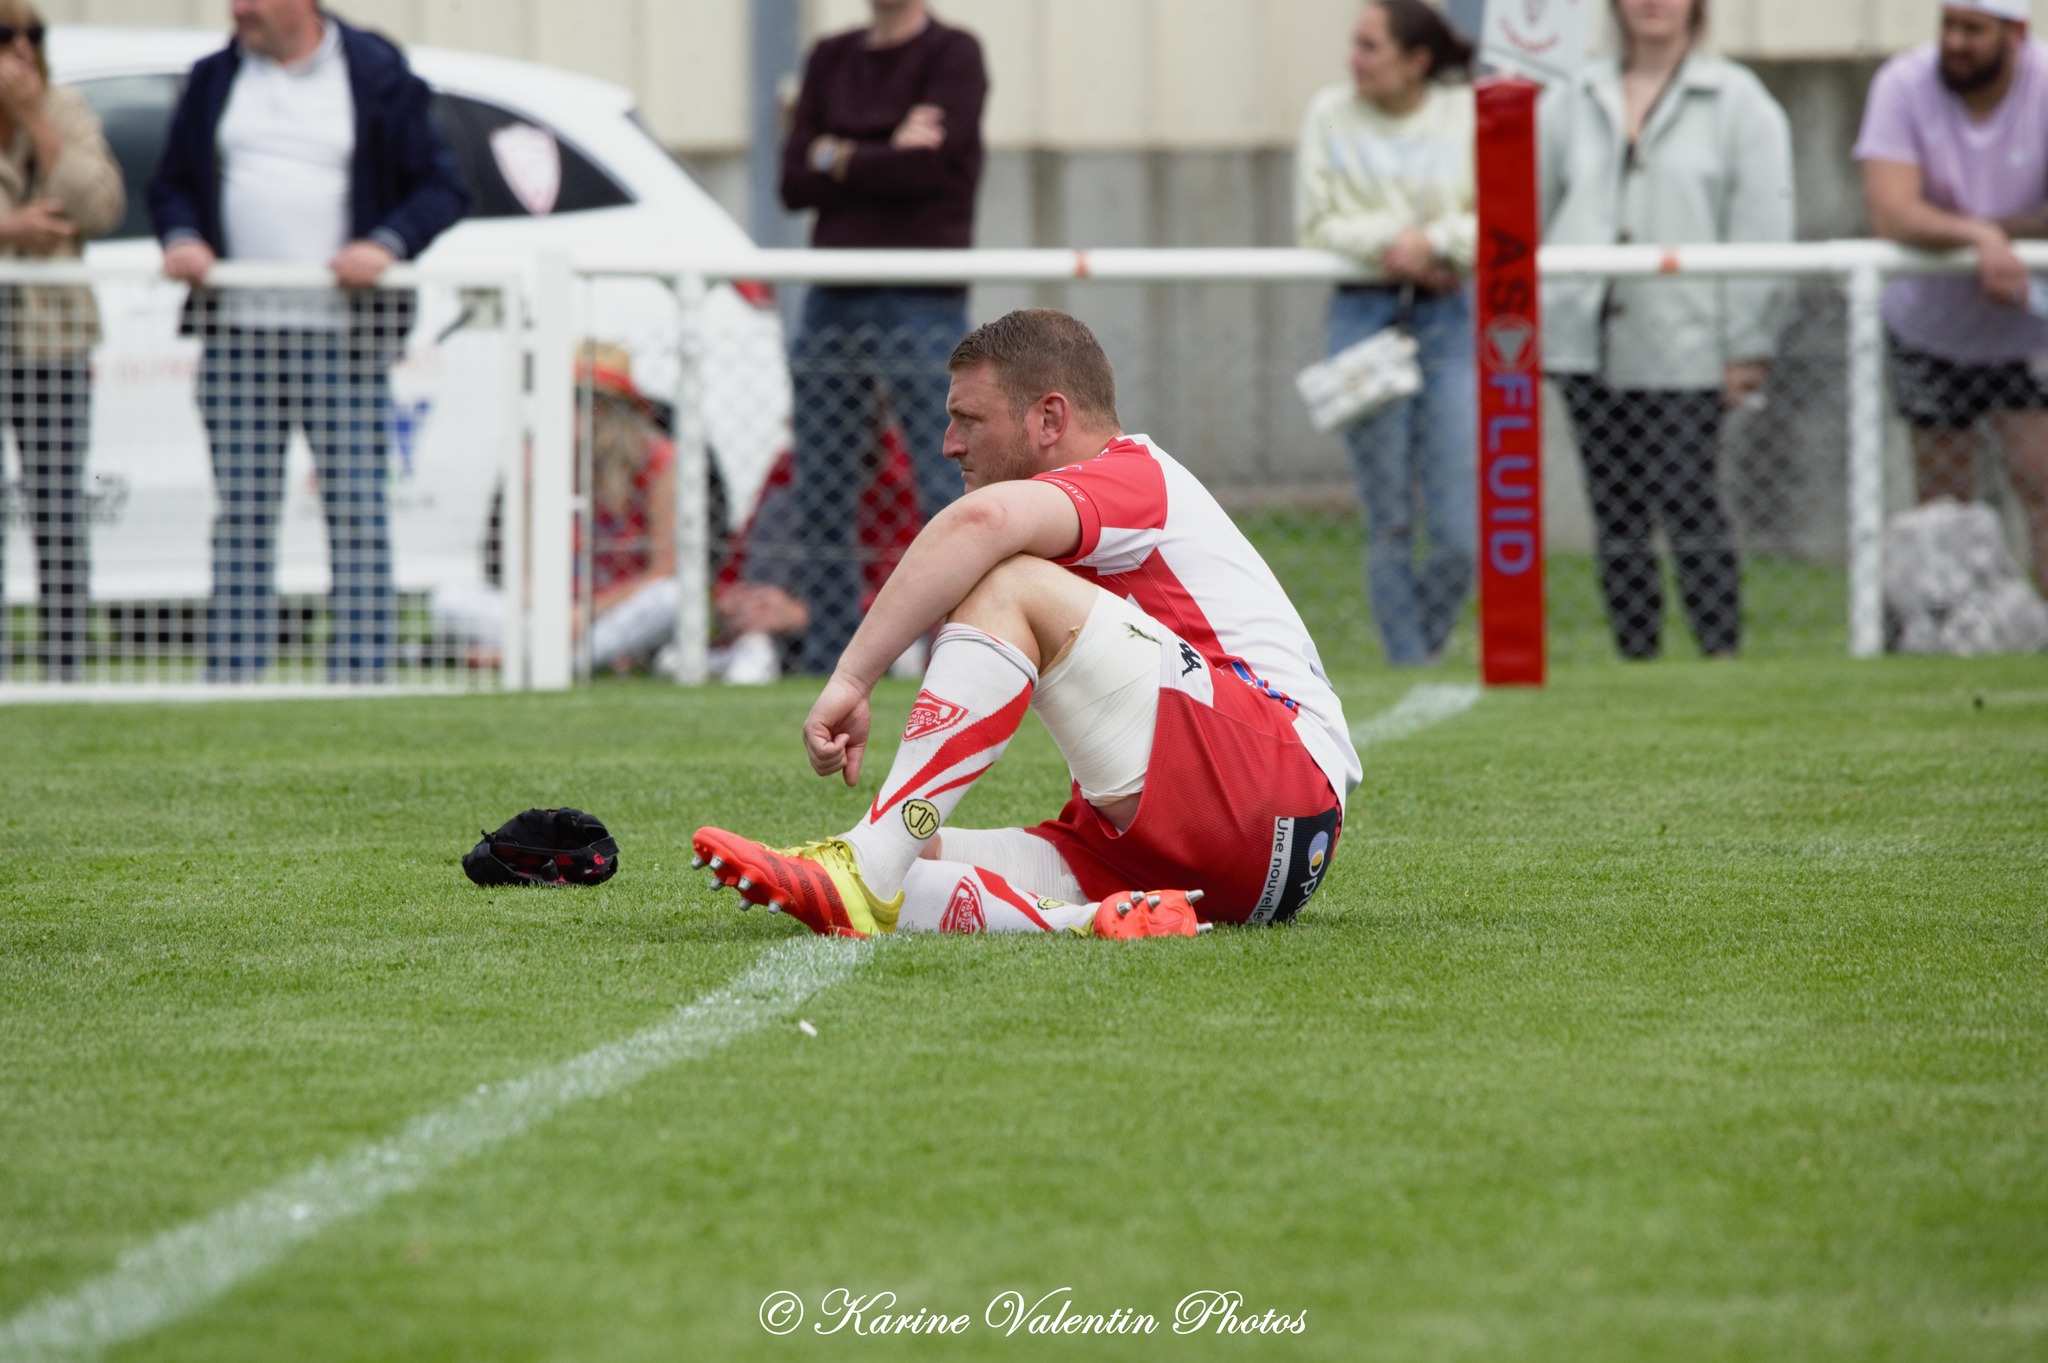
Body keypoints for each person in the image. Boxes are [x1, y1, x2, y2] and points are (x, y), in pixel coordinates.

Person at [693, 309, 1362, 940]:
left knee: (1000, 577)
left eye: (967, 419)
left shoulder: (1133, 474)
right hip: (1226, 860)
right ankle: (1084, 917)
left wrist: (851, 678)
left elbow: (980, 523)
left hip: (1274, 784)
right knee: (911, 857)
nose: (948, 443)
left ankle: (861, 865)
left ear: (1049, 418)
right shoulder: (1095, 500)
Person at [147, 0, 467, 683]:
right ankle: (234, 677)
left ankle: (361, 675)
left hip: (342, 335)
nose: (238, 10)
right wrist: (183, 236)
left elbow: (441, 185)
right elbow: (171, 182)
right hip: (237, 333)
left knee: (356, 509)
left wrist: (386, 244)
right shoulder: (213, 77)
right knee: (242, 516)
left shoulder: (376, 71)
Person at [1540, 0, 1793, 658]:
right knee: (1614, 511)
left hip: (1687, 342)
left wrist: (1747, 340)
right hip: (1585, 342)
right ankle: (1637, 657)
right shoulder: (1568, 100)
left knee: (1688, 499)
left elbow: (1761, 225)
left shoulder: (1740, 102)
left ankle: (1719, 652)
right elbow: (1535, 211)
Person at [779, 0, 987, 674]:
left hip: (921, 295)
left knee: (945, 479)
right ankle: (832, 656)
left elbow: (926, 172)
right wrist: (884, 146)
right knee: (822, 487)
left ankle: (957, 651)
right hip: (832, 293)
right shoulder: (830, 57)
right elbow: (792, 180)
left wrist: (836, 152)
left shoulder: (953, 55)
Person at [1296, 0, 1478, 667]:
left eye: (1370, 46)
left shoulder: (1465, 113)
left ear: (1416, 60)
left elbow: (1495, 213)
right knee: (1390, 516)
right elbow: (1316, 221)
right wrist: (1393, 246)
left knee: (1459, 527)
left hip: (1449, 314)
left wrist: (1431, 243)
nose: (1355, 59)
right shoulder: (1328, 113)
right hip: (1362, 314)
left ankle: (1422, 644)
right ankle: (1411, 663)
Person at [1855, 0, 2048, 591]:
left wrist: (2001, 239)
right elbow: (1892, 211)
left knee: (2040, 484)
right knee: (1943, 508)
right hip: (1930, 326)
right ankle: (1953, 636)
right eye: (1948, 24)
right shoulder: (1902, 84)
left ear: (2016, 33)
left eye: (1974, 29)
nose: (1956, 42)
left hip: (2030, 324)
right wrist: (1978, 236)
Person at [429, 345, 681, 674]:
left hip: (614, 608)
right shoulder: (536, 456)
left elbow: (662, 571)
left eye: (580, 399)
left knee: (670, 599)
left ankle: (535, 659)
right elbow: (520, 571)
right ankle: (565, 658)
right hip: (548, 613)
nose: (567, 410)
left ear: (611, 409)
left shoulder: (659, 460)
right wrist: (551, 613)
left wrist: (585, 613)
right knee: (448, 600)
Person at [0, 0, 121, 681]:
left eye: (33, 36)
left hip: (51, 338)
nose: (20, 49)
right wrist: (10, 235)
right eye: (3, 34)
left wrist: (41, 124)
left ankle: (65, 668)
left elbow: (98, 208)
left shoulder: (65, 109)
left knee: (57, 507)